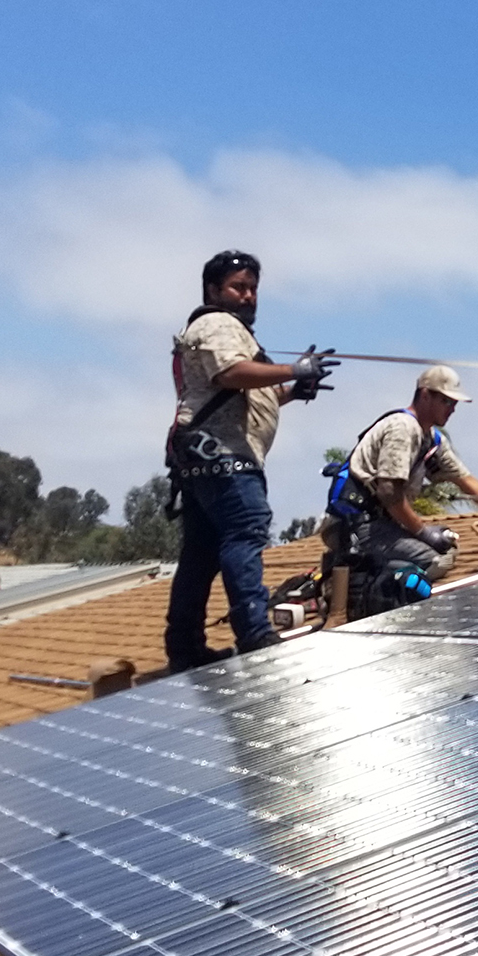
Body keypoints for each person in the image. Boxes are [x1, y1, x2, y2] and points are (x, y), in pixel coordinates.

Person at [163, 249, 338, 670]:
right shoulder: (217, 323)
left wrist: (293, 390)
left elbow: (246, 395)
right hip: (225, 458)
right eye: (238, 287)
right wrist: (294, 370)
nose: (248, 296)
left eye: (253, 289)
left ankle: (185, 646)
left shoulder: (225, 328)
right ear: (213, 290)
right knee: (244, 533)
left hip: (207, 456)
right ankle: (255, 632)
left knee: (201, 554)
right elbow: (231, 374)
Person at [329, 365, 478, 619]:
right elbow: (389, 493)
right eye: (446, 401)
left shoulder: (432, 440)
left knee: (444, 550)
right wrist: (423, 532)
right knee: (435, 559)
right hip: (355, 526)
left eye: (454, 403)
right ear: (425, 395)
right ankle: (375, 601)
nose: (452, 409)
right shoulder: (403, 428)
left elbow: (466, 481)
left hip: (380, 525)